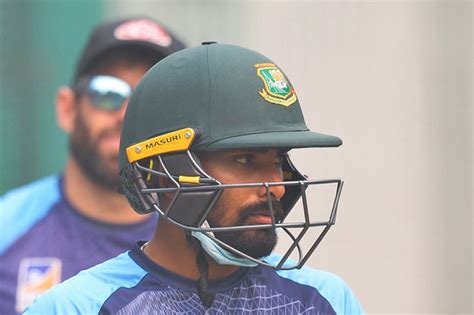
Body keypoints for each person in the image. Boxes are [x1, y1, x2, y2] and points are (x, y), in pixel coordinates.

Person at [26, 43, 363, 314]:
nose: (275, 186)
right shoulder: (76, 307)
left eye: (277, 161)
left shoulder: (324, 300)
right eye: (245, 159)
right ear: (165, 171)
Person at [0, 17, 185, 314]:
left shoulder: (203, 243)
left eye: (150, 100)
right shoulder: (7, 228)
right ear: (68, 108)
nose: (127, 116)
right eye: (108, 92)